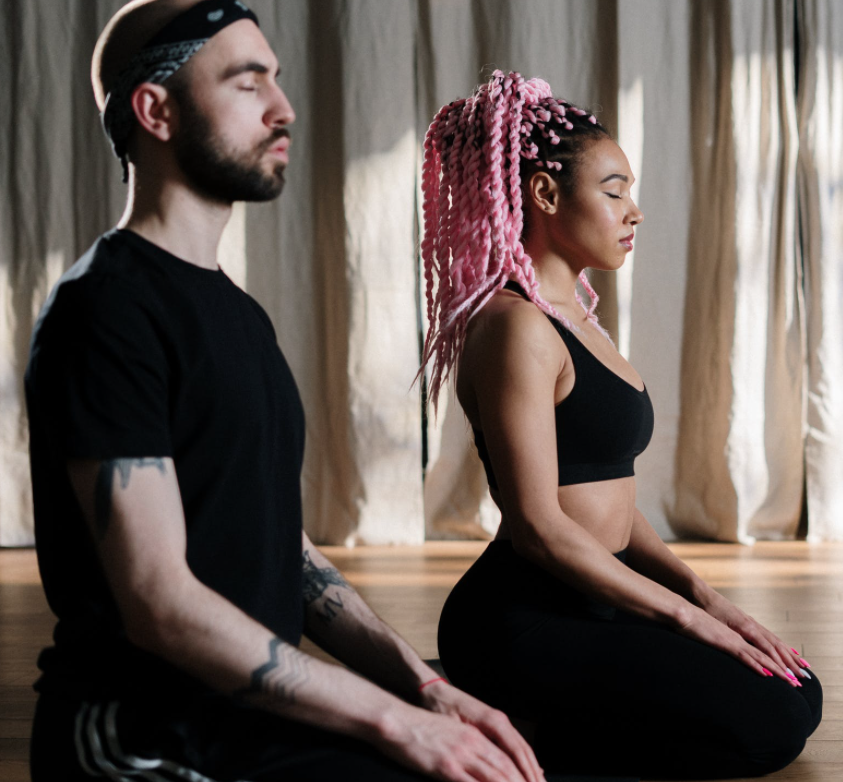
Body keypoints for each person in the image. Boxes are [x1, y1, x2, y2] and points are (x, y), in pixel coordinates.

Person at [24, 4, 543, 781]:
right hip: (143, 738)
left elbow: (284, 552)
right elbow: (160, 604)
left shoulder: (239, 316)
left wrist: (426, 688)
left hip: (248, 718)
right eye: (246, 82)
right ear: (155, 110)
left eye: (276, 77)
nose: (283, 106)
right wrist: (395, 722)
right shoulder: (106, 310)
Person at [420, 71, 823, 779]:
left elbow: (610, 496)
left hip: (598, 600)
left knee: (795, 688)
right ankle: (515, 733)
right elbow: (540, 525)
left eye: (630, 192)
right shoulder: (517, 330)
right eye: (614, 191)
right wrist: (685, 621)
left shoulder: (577, 316)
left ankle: (532, 723)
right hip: (523, 620)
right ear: (545, 194)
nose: (634, 212)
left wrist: (705, 598)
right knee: (772, 720)